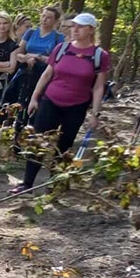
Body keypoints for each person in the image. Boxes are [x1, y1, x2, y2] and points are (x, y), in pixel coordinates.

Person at [13, 12, 109, 193]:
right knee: (38, 141)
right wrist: (35, 98)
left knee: (64, 145)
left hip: (77, 106)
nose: (75, 30)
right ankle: (27, 183)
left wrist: (95, 113)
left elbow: (98, 87)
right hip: (50, 100)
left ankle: (55, 184)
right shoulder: (62, 49)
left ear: (90, 30)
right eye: (73, 26)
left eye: (80, 27)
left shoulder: (99, 55)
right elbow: (47, 74)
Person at [9, 5, 65, 133]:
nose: (45, 19)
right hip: (27, 72)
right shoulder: (31, 33)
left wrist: (38, 57)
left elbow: (57, 60)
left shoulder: (58, 37)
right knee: (21, 106)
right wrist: (26, 58)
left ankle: (34, 135)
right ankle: (17, 136)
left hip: (45, 74)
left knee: (38, 106)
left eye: (49, 17)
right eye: (43, 16)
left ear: (55, 21)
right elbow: (18, 53)